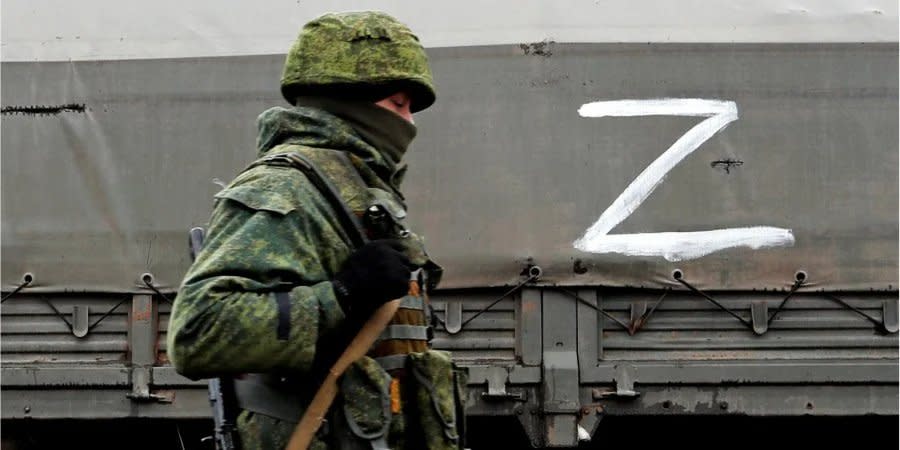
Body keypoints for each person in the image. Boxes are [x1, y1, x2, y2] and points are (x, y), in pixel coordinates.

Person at [167, 11, 465, 450]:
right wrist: (342, 294)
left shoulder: (356, 188)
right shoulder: (286, 187)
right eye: (398, 105)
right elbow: (199, 333)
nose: (410, 124)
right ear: (349, 99)